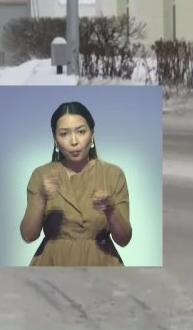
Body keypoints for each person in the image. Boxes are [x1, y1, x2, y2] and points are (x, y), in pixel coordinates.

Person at [19, 101, 133, 266]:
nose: (74, 141)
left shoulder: (113, 174)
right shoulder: (41, 175)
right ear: (55, 139)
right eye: (64, 134)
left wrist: (111, 209)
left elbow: (124, 239)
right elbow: (28, 236)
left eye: (81, 132)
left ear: (92, 134)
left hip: (101, 263)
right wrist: (42, 198)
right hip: (53, 262)